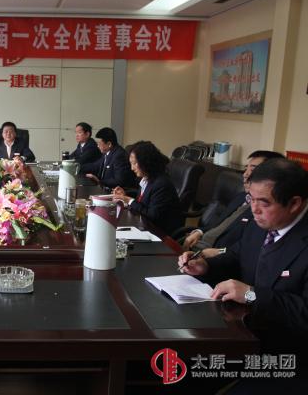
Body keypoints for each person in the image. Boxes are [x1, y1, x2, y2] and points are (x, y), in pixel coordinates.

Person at [178, 158, 308, 393]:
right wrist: (205, 266)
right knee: (175, 367)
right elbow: (238, 255)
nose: (254, 209)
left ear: (294, 203)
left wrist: (250, 295)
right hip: (242, 332)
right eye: (251, 199)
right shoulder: (261, 223)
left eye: (263, 202)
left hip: (288, 354)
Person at [183, 150, 285, 256]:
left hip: (216, 255)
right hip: (198, 245)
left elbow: (246, 249)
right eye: (246, 169)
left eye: (253, 170)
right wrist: (199, 232)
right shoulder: (241, 197)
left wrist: (219, 252)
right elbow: (218, 223)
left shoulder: (264, 212)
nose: (245, 174)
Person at [112, 141, 183, 235]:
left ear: (146, 162)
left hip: (159, 233)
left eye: (134, 163)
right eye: (131, 164)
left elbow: (152, 215)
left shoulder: (162, 184)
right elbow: (143, 202)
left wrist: (129, 200)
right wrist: (125, 196)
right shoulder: (147, 178)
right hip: (144, 226)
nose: (132, 168)